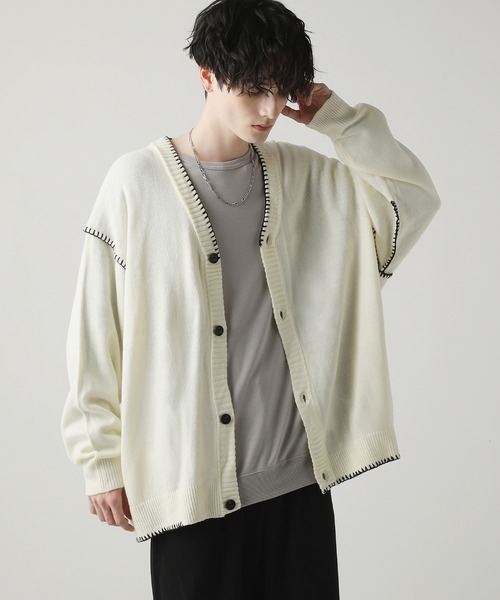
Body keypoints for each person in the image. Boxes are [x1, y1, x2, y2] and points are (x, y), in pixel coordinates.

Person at [61, 0, 440, 598]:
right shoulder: (136, 183)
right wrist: (100, 460)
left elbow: (411, 200)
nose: (270, 110)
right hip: (192, 499)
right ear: (207, 76)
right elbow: (95, 331)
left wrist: (341, 121)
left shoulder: (306, 178)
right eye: (255, 89)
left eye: (282, 90)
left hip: (299, 487)